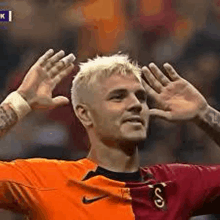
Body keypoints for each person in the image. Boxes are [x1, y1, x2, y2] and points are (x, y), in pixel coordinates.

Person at [0, 49, 220, 220]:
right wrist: (18, 103)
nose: (135, 104)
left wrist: (204, 114)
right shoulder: (47, 181)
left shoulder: (176, 184)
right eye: (118, 97)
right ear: (85, 114)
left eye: (141, 97)